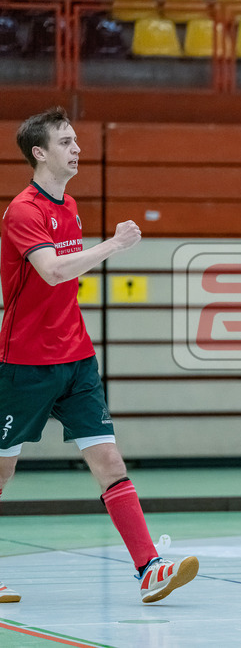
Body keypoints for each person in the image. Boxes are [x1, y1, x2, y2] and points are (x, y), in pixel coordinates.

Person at [0, 107, 198, 604]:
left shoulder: (69, 206)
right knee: (2, 471)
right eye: (65, 142)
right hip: (24, 364)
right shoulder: (23, 211)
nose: (77, 149)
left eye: (76, 140)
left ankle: (149, 569)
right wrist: (112, 245)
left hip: (77, 360)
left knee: (109, 459)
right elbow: (52, 271)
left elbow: (66, 273)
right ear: (39, 152)